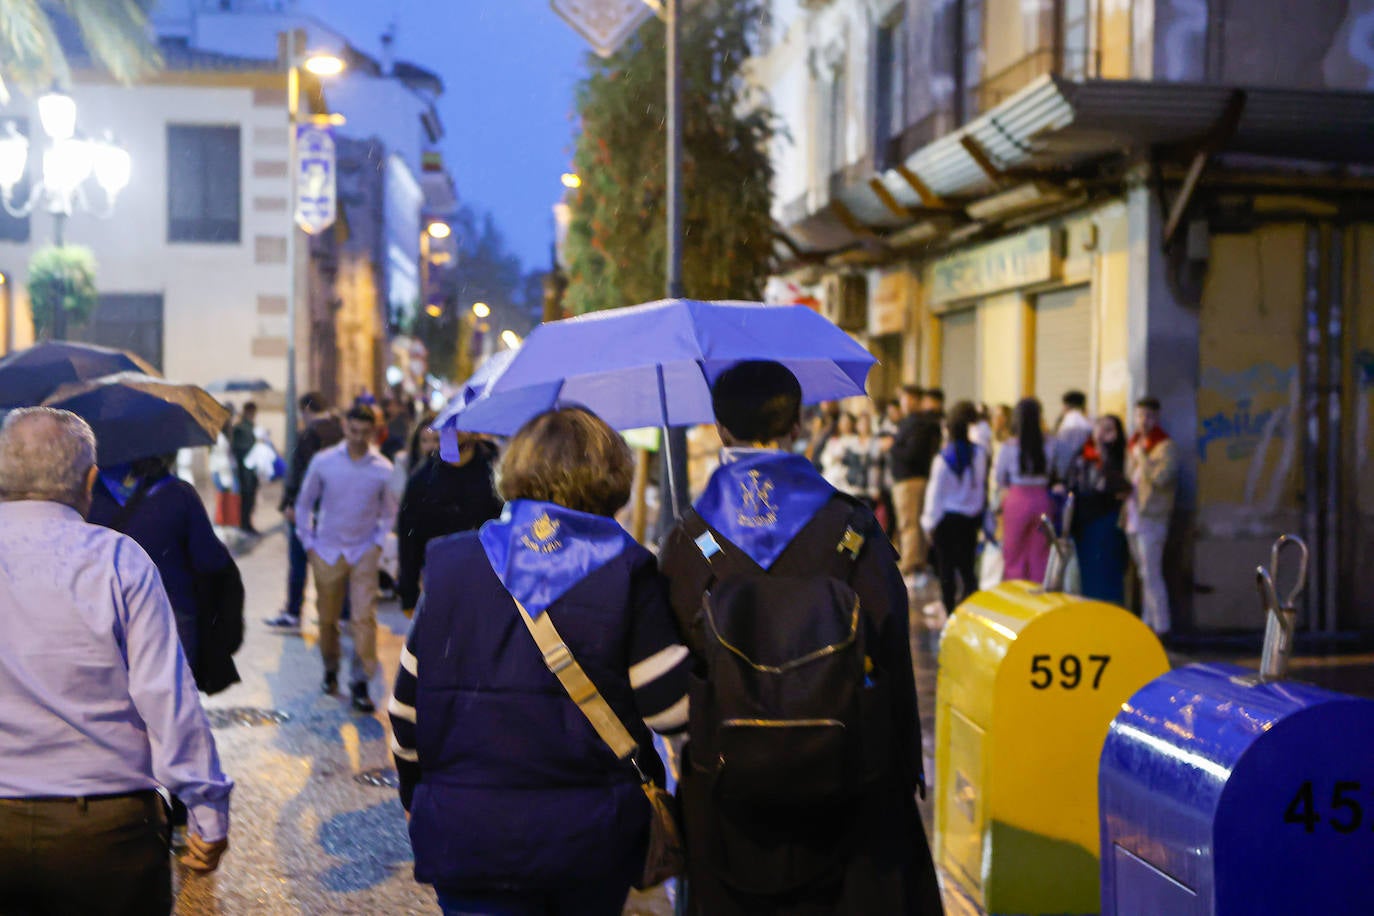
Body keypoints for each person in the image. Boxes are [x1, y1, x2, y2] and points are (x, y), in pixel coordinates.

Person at [658, 360, 942, 916]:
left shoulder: (691, 539)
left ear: (719, 429)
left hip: (727, 798)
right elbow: (891, 654)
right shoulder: (854, 528)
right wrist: (905, 766)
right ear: (796, 425)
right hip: (848, 794)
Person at [390, 407, 691, 916]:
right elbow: (672, 712)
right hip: (591, 838)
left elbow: (406, 715)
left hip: (469, 835)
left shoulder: (452, 564)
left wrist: (419, 796)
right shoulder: (628, 570)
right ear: (611, 477)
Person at [0, 409, 232, 913]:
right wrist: (207, 808)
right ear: (88, 479)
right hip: (106, 834)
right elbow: (167, 698)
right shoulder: (119, 561)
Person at [89, 454, 243, 694]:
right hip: (170, 616)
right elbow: (210, 560)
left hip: (101, 618)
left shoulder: (86, 496)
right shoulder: (179, 495)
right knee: (172, 701)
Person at [295, 404, 399, 712]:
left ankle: (361, 682)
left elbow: (390, 511)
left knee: (363, 618)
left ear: (373, 432)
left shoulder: (383, 468)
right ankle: (330, 667)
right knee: (327, 619)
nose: (358, 437)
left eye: (365, 432)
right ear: (345, 428)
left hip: (364, 551)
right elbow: (304, 504)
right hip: (326, 550)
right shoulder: (324, 462)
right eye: (353, 431)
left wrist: (378, 543)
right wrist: (309, 543)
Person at [396, 428, 504, 616]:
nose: (454, 433)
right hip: (441, 579)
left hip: (489, 579)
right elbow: (409, 540)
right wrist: (408, 592)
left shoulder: (496, 473)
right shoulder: (424, 478)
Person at [267, 392, 345, 631]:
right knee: (333, 562)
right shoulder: (340, 431)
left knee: (299, 560)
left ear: (307, 409)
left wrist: (290, 503)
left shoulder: (310, 434)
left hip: (308, 507)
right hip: (334, 507)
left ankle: (293, 612)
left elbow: (301, 473)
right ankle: (339, 612)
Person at [921, 401, 989, 615]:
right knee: (968, 569)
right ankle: (973, 611)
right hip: (969, 520)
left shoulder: (942, 459)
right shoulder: (979, 454)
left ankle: (950, 612)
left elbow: (935, 496)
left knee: (946, 570)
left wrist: (929, 524)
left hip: (946, 522)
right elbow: (980, 488)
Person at [1068, 415, 1133, 605]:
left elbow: (1122, 486)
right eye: (1100, 427)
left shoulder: (1121, 456)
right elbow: (1071, 482)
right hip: (1084, 521)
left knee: (1108, 573)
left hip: (1108, 519)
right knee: (1088, 574)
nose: (1103, 433)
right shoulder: (1082, 454)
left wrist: (1105, 453)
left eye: (1109, 429)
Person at [1126, 397, 1178, 635]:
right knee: (1142, 573)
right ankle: (1148, 622)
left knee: (1152, 573)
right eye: (1139, 416)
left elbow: (1161, 478)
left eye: (1148, 416)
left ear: (1156, 417)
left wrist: (1143, 458)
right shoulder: (1135, 444)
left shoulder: (1165, 446)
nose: (1143, 421)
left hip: (1153, 517)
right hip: (1133, 516)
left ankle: (1162, 626)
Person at [993, 398, 1055, 584]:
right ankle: (1038, 598)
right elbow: (1055, 471)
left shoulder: (1009, 446)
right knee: (1040, 554)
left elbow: (1000, 478)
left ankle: (1016, 598)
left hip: (1016, 500)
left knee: (1013, 554)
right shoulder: (1050, 444)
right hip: (1042, 499)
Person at [888, 385, 944, 585]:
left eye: (905, 398)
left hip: (911, 479)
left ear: (913, 400)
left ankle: (911, 562)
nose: (902, 402)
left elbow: (913, 453)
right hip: (906, 479)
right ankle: (913, 560)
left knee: (909, 523)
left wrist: (892, 448)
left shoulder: (918, 424)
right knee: (908, 523)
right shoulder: (909, 422)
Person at [230, 400, 259, 535]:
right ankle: (244, 524)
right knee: (246, 497)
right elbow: (236, 447)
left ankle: (247, 523)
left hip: (251, 469)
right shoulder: (240, 427)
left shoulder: (251, 426)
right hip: (244, 469)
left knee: (251, 497)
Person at [1052, 390, 1094, 480]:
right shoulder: (1090, 419)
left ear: (1066, 405)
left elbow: (1065, 449)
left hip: (1070, 468)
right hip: (1088, 466)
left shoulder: (1070, 420)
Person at [819, 411, 860, 493]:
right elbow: (825, 458)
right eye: (842, 422)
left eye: (847, 422)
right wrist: (833, 458)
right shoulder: (834, 440)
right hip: (832, 475)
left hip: (848, 477)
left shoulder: (856, 440)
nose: (845, 425)